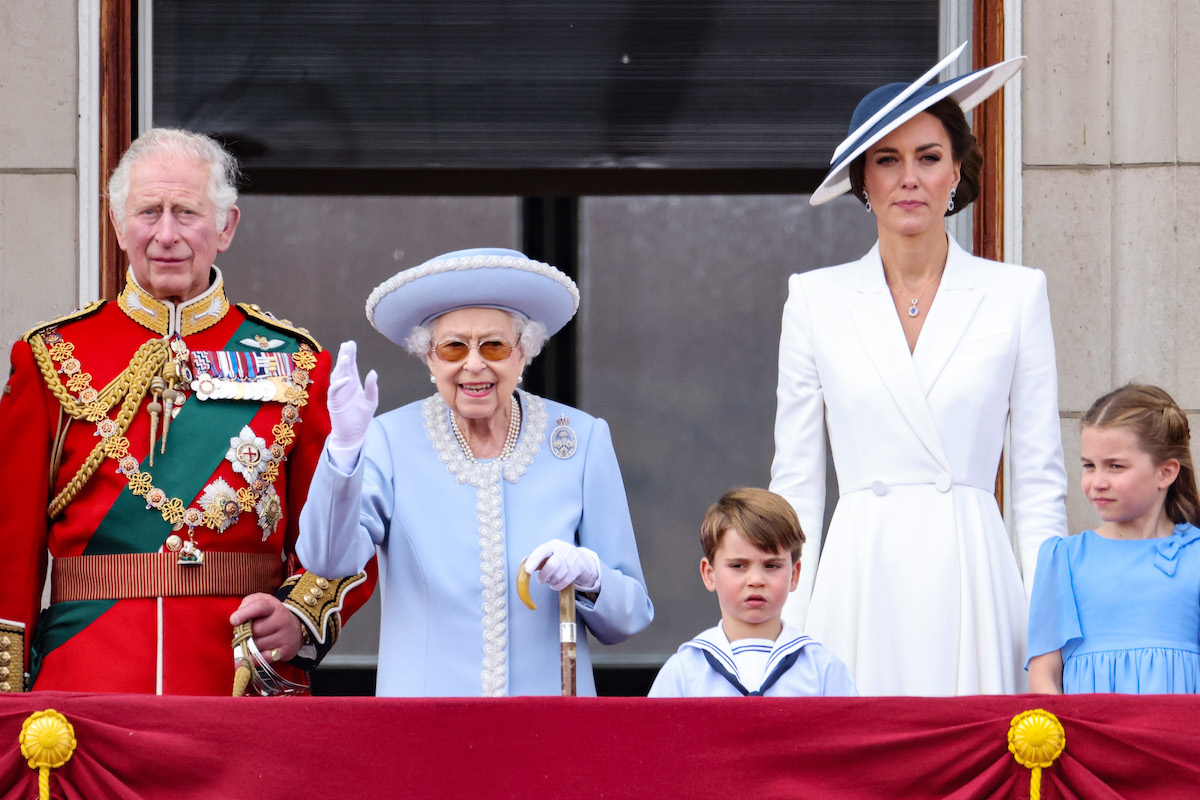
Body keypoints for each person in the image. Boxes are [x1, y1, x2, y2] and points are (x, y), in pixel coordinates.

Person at [0, 128, 371, 695]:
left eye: (187, 212)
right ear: (119, 225)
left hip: (240, 679)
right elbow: (10, 547)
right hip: (84, 680)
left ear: (226, 227)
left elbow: (342, 529)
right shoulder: (51, 355)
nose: (166, 234)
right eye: (148, 212)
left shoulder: (299, 364)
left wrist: (299, 617)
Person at [770, 44, 1068, 695]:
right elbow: (795, 486)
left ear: (957, 170)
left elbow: (1039, 486)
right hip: (860, 578)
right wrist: (785, 632)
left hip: (974, 577)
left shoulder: (1017, 294)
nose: (910, 178)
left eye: (929, 157)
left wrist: (1047, 639)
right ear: (863, 181)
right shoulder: (814, 299)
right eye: (887, 160)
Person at [296, 247, 654, 696]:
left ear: (523, 353)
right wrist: (344, 450)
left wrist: (591, 576)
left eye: (494, 345)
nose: (474, 364)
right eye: (453, 347)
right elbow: (328, 560)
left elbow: (630, 616)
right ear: (429, 358)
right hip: (427, 729)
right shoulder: (387, 440)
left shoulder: (581, 440)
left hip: (548, 728)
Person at [1027, 385, 1200, 694]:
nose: (1097, 482)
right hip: (1088, 739)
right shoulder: (1063, 558)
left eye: (1115, 466)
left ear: (1166, 473)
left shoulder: (1195, 555)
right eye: (1089, 466)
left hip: (1180, 738)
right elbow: (1044, 676)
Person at [648, 488, 856, 697]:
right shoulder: (683, 673)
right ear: (709, 574)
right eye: (738, 566)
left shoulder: (824, 670)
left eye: (771, 566)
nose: (756, 580)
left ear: (794, 574)